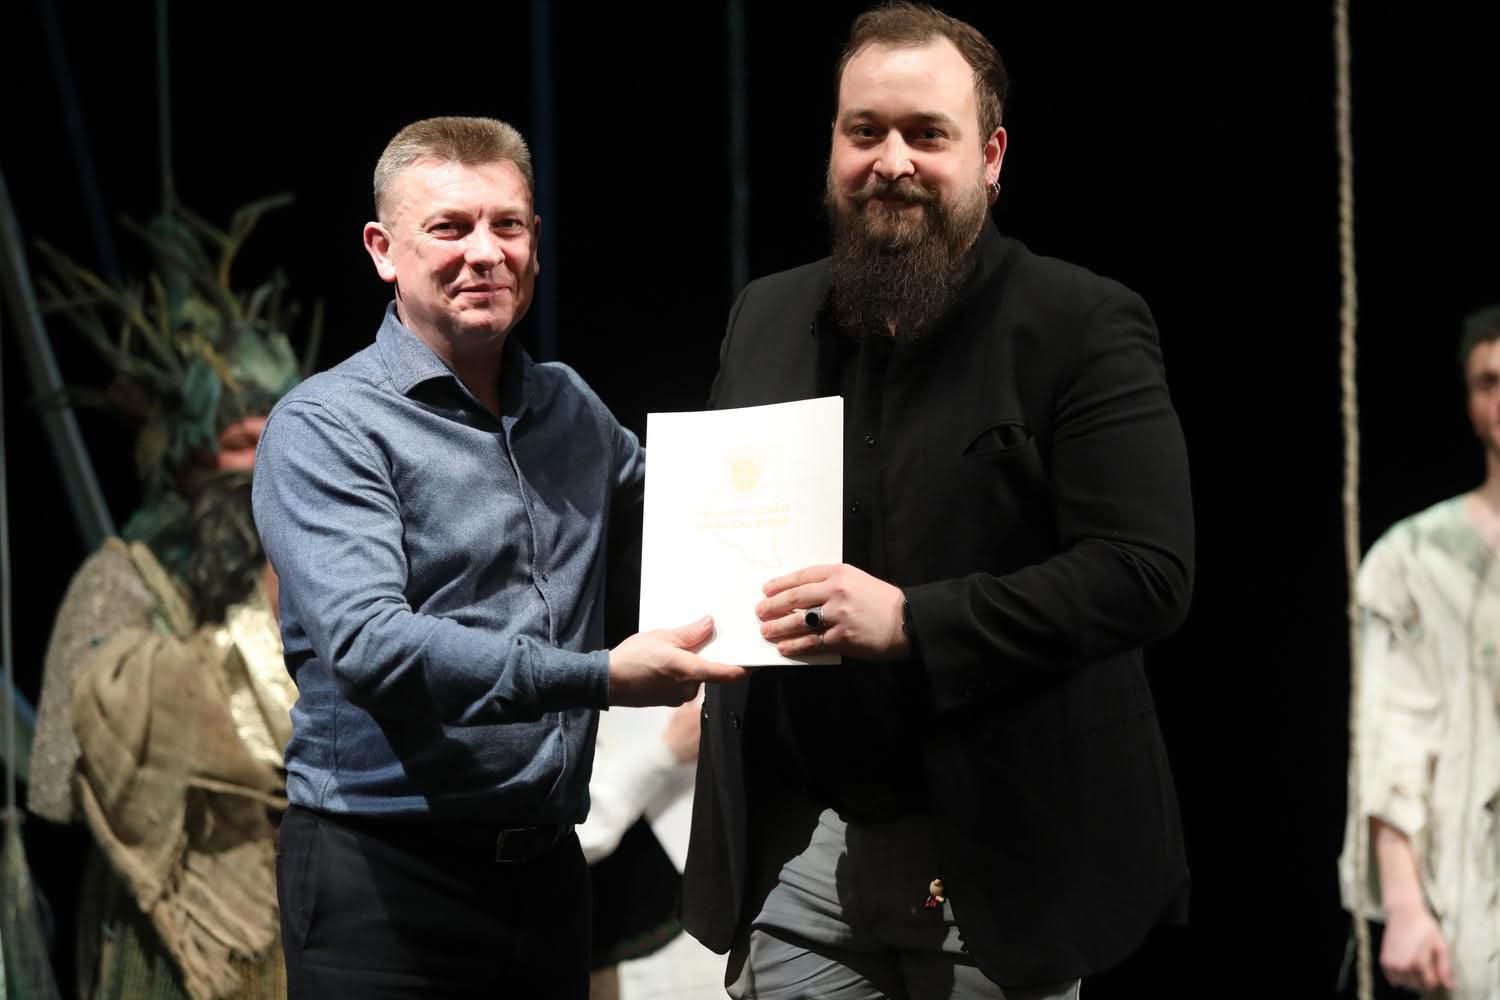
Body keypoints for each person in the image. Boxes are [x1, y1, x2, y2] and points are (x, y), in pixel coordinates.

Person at [681, 5, 1194, 997]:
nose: (892, 161)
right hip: (803, 850)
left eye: (927, 134)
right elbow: (720, 514)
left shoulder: (1080, 322)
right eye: (864, 131)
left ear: (990, 157)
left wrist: (913, 620)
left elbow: (1145, 572)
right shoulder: (766, 315)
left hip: (1003, 857)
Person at [251, 116, 744, 999]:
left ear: (535, 243)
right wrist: (599, 676)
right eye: (450, 227)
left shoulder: (569, 408)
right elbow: (371, 646)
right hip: (384, 876)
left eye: (506, 225)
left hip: (548, 876)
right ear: (383, 250)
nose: (484, 252)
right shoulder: (326, 426)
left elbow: (705, 510)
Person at [1340, 305, 1500, 998]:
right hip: (1476, 897)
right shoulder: (1415, 559)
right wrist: (1404, 905)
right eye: (1489, 381)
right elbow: (1392, 735)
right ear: (1469, 403)